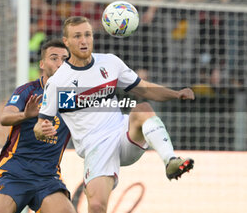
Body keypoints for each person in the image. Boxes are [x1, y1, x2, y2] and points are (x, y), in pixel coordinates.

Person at [34, 16, 195, 213]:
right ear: (66, 42)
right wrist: (42, 130)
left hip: (122, 133)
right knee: (96, 206)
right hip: (95, 146)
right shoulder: (58, 82)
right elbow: (40, 124)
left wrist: (175, 94)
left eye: (87, 35)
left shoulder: (109, 63)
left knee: (143, 108)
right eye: (77, 36)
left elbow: (144, 89)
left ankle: (170, 161)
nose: (84, 41)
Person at [0, 39, 76, 213]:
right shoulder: (28, 91)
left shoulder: (72, 96)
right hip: (14, 171)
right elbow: (5, 117)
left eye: (65, 59)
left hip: (47, 176)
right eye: (54, 58)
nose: (61, 64)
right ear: (42, 64)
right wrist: (25, 115)